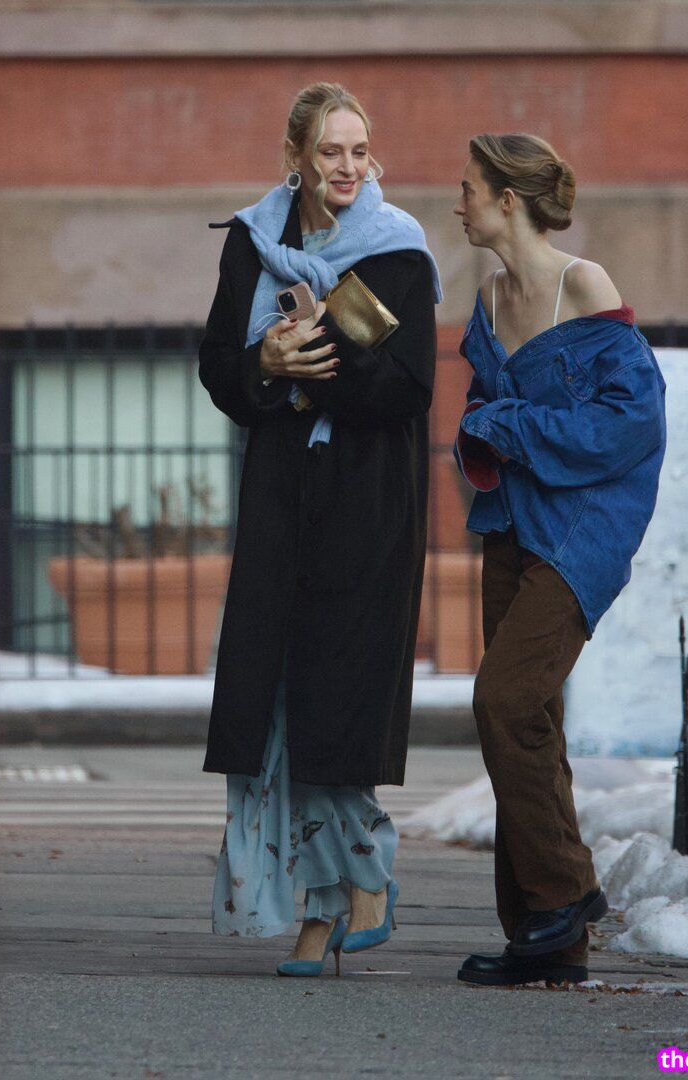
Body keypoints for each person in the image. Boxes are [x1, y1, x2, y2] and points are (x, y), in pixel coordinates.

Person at [199, 82, 440, 977]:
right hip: (278, 496)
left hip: (365, 499)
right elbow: (219, 369)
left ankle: (362, 878)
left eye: (359, 151)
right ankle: (321, 905)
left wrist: (315, 354)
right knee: (274, 697)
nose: (347, 167)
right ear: (296, 157)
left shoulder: (397, 250)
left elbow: (407, 389)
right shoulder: (251, 244)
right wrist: (265, 360)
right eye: (330, 151)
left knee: (336, 698)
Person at [452, 133, 666, 987]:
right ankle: (545, 942)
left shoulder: (584, 284)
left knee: (502, 699)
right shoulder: (488, 296)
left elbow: (630, 424)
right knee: (528, 718)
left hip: (583, 529)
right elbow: (483, 404)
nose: (458, 205)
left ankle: (567, 893)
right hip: (509, 524)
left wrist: (506, 426)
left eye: (468, 190)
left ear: (508, 199)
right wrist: (483, 426)